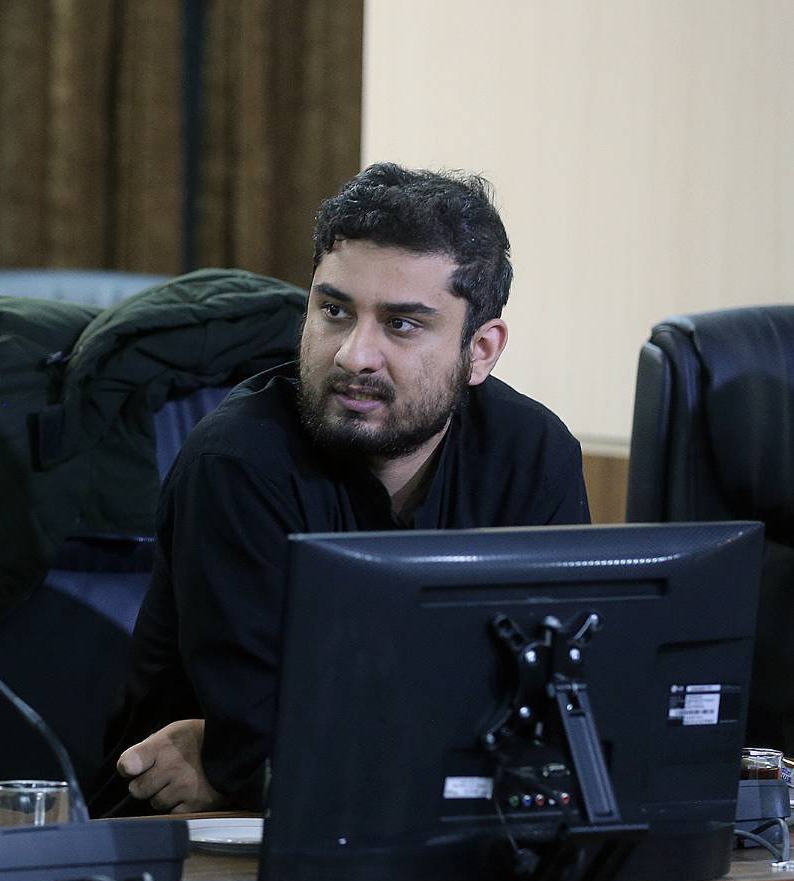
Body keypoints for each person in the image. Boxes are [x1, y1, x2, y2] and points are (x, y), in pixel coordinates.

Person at [101, 162, 591, 815]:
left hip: (465, 829)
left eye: (402, 324)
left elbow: (561, 705)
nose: (353, 355)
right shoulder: (237, 464)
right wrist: (249, 759)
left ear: (481, 350)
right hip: (205, 840)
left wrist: (245, 757)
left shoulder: (532, 455)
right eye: (334, 311)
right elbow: (260, 739)